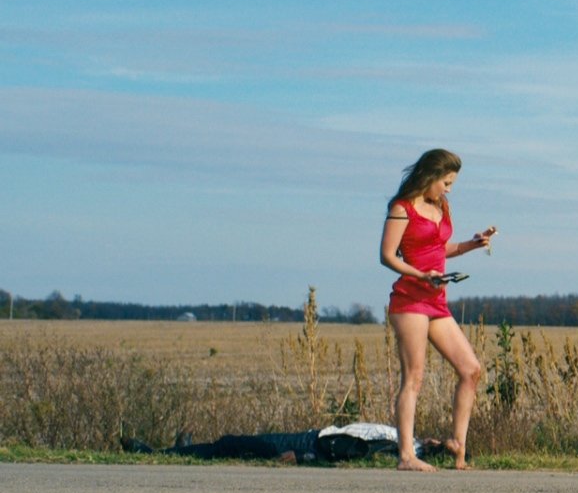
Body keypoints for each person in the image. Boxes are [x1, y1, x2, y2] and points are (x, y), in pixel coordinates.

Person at [381, 149, 494, 472]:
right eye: (445, 182)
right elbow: (388, 255)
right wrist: (421, 275)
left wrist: (472, 244)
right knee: (414, 377)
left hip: (436, 300)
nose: (449, 189)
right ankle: (406, 456)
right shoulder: (401, 209)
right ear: (429, 177)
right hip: (410, 299)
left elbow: (441, 248)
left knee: (470, 369)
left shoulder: (442, 207)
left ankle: (457, 449)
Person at [121, 423, 448, 465]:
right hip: (310, 435)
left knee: (231, 443)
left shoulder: (395, 446)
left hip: (307, 443)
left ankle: (153, 453)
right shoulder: (404, 436)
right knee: (234, 443)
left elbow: (346, 451)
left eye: (437, 442)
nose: (434, 436)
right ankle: (183, 448)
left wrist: (303, 457)